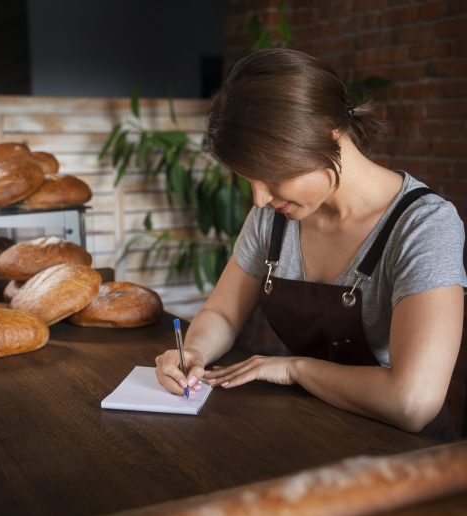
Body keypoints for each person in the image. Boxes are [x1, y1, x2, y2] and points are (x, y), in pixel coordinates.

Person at [155, 48, 467, 441]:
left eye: (271, 176)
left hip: (406, 457)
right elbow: (223, 313)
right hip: (312, 433)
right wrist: (195, 352)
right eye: (248, 180)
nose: (259, 199)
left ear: (327, 134)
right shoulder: (273, 218)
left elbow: (413, 402)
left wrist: (294, 369)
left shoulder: (424, 226)